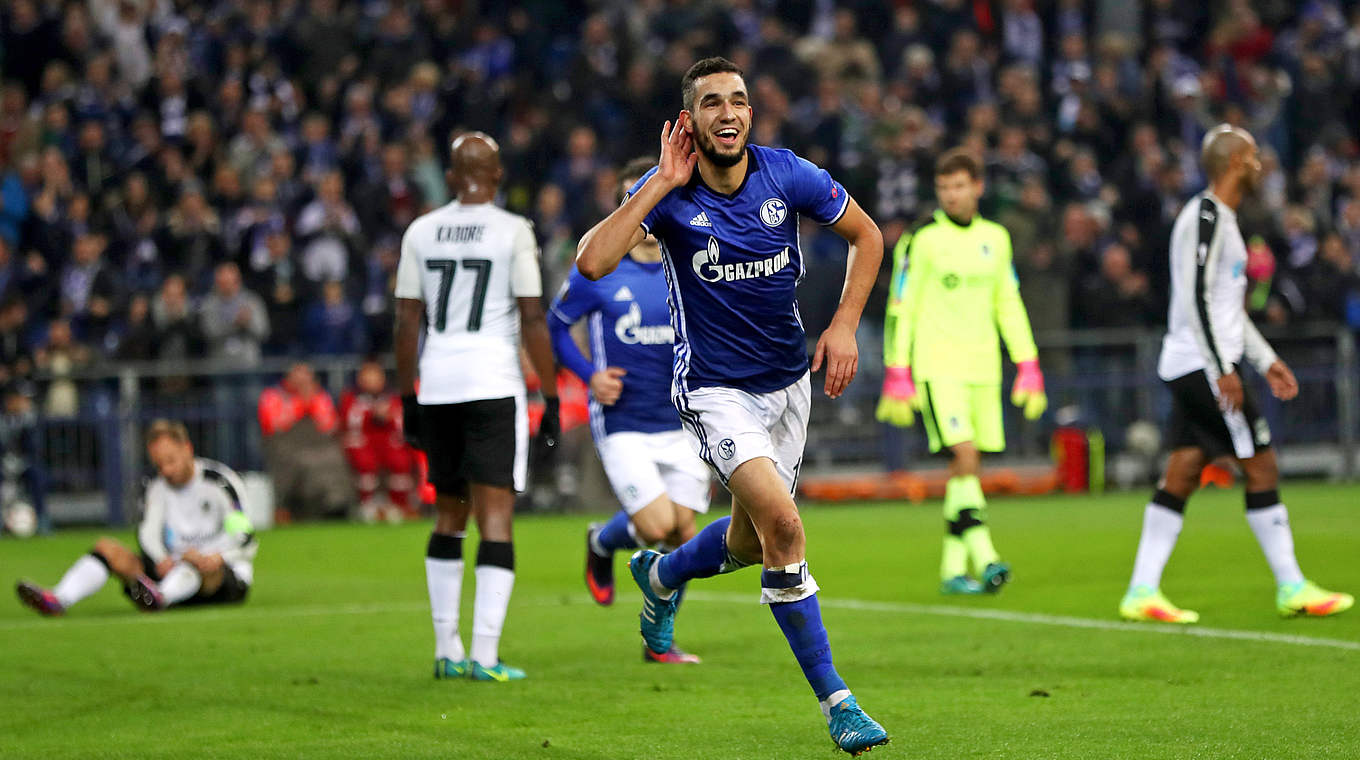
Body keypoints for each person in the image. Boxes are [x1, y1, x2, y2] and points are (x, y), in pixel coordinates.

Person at [576, 58, 888, 755]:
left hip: (787, 385)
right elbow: (592, 263)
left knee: (751, 543)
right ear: (690, 121)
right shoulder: (669, 194)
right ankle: (838, 703)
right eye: (712, 102)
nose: (728, 113)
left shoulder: (787, 174)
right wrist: (658, 180)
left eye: (739, 101)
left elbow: (868, 235)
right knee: (785, 527)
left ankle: (659, 574)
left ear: (751, 114)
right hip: (714, 391)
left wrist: (842, 324)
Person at [1118, 125, 1352, 624]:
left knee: (1183, 468)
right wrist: (1224, 369)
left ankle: (1141, 590)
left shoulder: (1223, 219)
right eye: (1251, 156)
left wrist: (1266, 360)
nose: (1260, 163)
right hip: (1203, 366)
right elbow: (1197, 298)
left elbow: (1227, 310)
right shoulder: (1204, 216)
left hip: (1196, 363)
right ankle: (1292, 585)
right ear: (1233, 163)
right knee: (1262, 462)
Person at [394, 132, 559, 683]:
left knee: (448, 515)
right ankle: (485, 657)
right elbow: (532, 317)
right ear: (497, 174)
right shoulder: (513, 231)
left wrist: (407, 396)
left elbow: (405, 322)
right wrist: (552, 394)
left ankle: (447, 648)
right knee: (495, 519)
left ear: (449, 174)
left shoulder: (420, 230)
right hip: (491, 382)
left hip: (438, 383)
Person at [549, 157, 710, 664]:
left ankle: (658, 642)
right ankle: (603, 540)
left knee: (685, 534)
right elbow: (555, 327)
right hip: (624, 422)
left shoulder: (688, 262)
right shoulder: (600, 270)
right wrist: (588, 375)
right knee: (660, 525)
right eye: (629, 198)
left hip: (684, 419)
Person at [876, 148, 1047, 595]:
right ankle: (986, 555)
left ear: (977, 187)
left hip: (984, 368)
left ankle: (953, 570)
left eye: (959, 186)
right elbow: (902, 305)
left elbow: (1008, 303)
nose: (951, 195)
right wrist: (898, 367)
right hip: (937, 366)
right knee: (966, 455)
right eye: (944, 187)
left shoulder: (997, 238)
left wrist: (1027, 362)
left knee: (966, 466)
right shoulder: (922, 238)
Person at [15, 420, 256, 615]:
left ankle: (160, 597)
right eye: (159, 465)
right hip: (172, 570)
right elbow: (148, 533)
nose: (166, 471)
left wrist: (216, 557)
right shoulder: (157, 487)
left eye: (170, 461)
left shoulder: (220, 482)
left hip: (219, 577)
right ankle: (58, 599)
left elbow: (244, 535)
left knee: (193, 564)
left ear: (187, 449)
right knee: (107, 548)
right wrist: (161, 558)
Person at [340, 358, 416, 522]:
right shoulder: (351, 397)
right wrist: (372, 414)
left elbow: (400, 421)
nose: (372, 381)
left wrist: (387, 415)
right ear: (360, 379)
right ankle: (367, 505)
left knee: (400, 461)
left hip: (388, 440)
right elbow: (350, 422)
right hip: (363, 440)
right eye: (368, 377)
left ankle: (397, 505)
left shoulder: (392, 397)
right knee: (365, 463)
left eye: (376, 377)